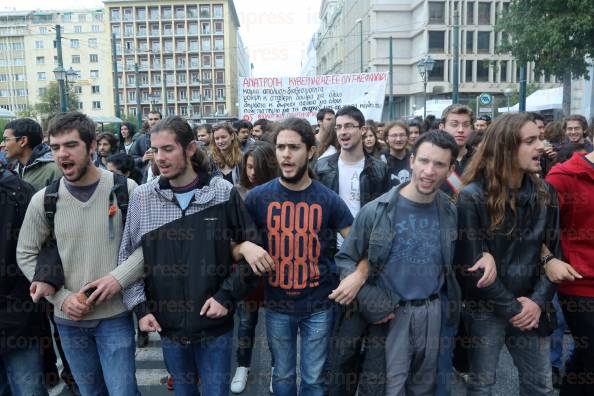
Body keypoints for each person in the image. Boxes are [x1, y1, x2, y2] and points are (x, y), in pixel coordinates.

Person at [120, 116, 266, 396]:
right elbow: (127, 256)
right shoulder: (142, 197)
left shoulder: (222, 192)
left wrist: (226, 297)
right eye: (155, 150)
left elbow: (253, 252)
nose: (159, 158)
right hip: (169, 327)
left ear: (189, 149)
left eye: (168, 149)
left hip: (216, 328)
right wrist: (141, 309)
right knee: (184, 391)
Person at [17, 111, 140, 396]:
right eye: (55, 147)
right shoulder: (43, 200)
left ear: (93, 146)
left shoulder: (125, 189)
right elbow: (25, 254)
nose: (62, 154)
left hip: (116, 316)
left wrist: (116, 279)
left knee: (123, 391)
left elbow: (147, 247)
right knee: (90, 392)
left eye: (71, 145)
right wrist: (61, 299)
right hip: (68, 321)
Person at [335, 130, 465, 395]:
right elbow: (346, 257)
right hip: (391, 314)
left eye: (439, 164)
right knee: (388, 388)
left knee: (424, 388)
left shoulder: (450, 211)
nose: (429, 171)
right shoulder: (376, 211)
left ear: (450, 169)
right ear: (412, 161)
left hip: (433, 312)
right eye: (424, 161)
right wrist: (370, 297)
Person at [244, 118, 367, 395]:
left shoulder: (328, 199)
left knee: (314, 380)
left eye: (294, 147)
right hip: (277, 306)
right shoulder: (257, 198)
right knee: (284, 378)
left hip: (319, 306)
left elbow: (361, 246)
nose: (286, 154)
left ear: (310, 151)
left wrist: (359, 275)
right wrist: (243, 248)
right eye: (281, 147)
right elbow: (231, 243)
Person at [456, 112, 560, 396]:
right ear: (505, 147)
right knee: (481, 387)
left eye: (539, 138)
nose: (541, 145)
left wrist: (537, 302)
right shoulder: (472, 196)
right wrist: (517, 309)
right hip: (486, 310)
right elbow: (472, 266)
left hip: (531, 305)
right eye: (531, 140)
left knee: (541, 388)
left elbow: (555, 256)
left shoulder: (546, 193)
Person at [230, 142, 279, 394]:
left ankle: (276, 369)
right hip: (245, 271)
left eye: (257, 167)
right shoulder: (236, 192)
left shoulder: (280, 192)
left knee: (275, 324)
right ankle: (242, 366)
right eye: (248, 166)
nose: (252, 172)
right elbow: (227, 235)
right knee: (246, 322)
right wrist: (240, 250)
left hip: (277, 270)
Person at [545, 148, 594, 395]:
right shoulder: (563, 177)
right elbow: (534, 226)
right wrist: (549, 259)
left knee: (585, 360)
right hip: (580, 283)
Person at [0, 168, 48, 396]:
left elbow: (41, 247)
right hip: (19, 308)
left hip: (17, 311)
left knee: (27, 386)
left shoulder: (19, 192)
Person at [1, 118, 62, 191]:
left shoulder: (54, 170)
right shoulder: (14, 169)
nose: (2, 144)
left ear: (23, 141)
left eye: (6, 139)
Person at [130, 110, 162, 177]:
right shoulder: (140, 139)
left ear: (161, 120)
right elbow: (131, 159)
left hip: (164, 175)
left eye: (156, 119)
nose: (153, 122)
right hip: (145, 176)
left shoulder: (168, 137)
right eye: (151, 119)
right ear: (148, 121)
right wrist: (142, 159)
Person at [384, 121, 411, 186]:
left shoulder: (415, 159)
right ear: (386, 139)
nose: (398, 139)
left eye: (402, 135)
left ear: (407, 137)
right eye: (394, 135)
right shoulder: (380, 162)